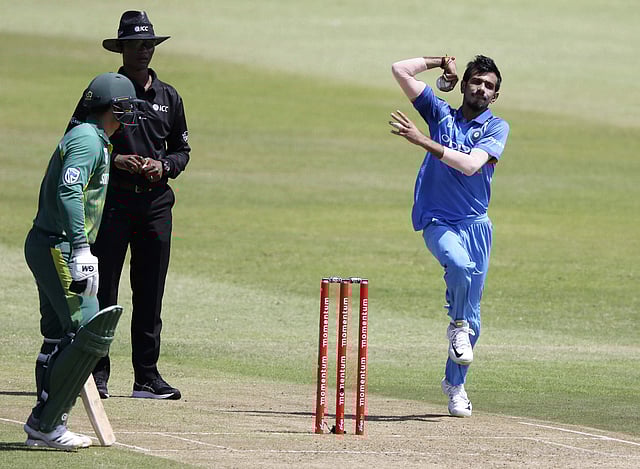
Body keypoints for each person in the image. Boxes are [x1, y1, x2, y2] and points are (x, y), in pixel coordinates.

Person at [67, 10, 190, 400]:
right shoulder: (105, 90)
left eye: (148, 44)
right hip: (113, 202)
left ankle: (146, 378)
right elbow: (76, 135)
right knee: (103, 291)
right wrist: (114, 158)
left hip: (156, 205)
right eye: (136, 44)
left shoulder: (169, 96)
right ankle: (96, 373)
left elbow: (181, 149)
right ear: (121, 48)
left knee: (150, 293)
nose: (143, 50)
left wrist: (163, 166)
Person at [24, 72, 141, 450]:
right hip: (59, 245)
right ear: (111, 107)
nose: (130, 113)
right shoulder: (88, 140)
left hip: (48, 243)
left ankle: (45, 422)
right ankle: (48, 424)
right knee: (91, 332)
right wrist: (80, 248)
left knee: (57, 335)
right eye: (126, 106)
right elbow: (69, 191)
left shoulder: (94, 139)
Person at [390, 54, 510, 417]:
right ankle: (456, 325)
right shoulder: (439, 113)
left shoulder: (496, 128)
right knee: (457, 265)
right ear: (464, 85)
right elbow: (400, 70)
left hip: (476, 225)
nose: (481, 89)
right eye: (476, 81)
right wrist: (440, 62)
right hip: (437, 219)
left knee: (474, 319)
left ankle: (455, 386)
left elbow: (471, 165)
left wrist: (421, 141)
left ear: (495, 95)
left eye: (489, 86)